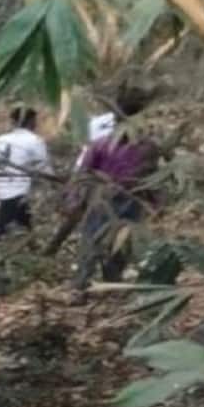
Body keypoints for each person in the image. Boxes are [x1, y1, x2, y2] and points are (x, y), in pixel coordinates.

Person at [74, 116, 162, 292]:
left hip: (113, 198)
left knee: (100, 239)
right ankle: (94, 281)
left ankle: (91, 283)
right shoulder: (146, 147)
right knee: (106, 240)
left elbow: (83, 174)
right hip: (119, 198)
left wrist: (75, 198)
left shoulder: (101, 144)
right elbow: (153, 178)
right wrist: (155, 201)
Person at [0, 106, 50, 263]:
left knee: (23, 218)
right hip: (16, 190)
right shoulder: (35, 140)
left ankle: (35, 250)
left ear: (13, 121)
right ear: (31, 122)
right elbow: (44, 168)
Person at [47, 109, 120, 256]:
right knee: (83, 211)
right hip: (98, 171)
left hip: (91, 169)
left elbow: (84, 143)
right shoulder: (107, 123)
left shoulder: (99, 121)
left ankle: (56, 247)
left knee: (80, 211)